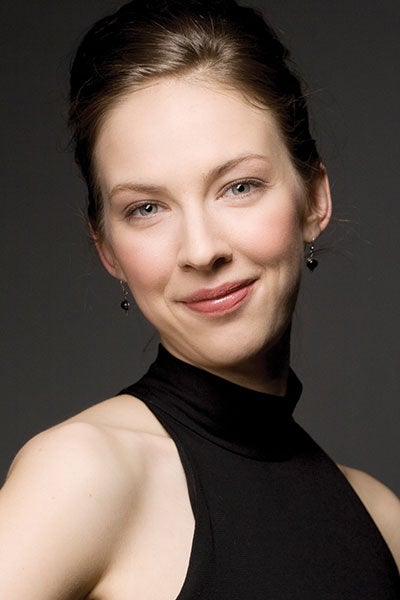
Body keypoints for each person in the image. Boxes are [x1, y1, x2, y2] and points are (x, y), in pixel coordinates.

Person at [0, 0, 399, 597]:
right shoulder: (82, 473)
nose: (201, 249)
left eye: (239, 186)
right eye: (147, 208)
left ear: (314, 198)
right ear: (107, 248)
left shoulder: (382, 519)